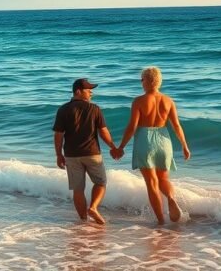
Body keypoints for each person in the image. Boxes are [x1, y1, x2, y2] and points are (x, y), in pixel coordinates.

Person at [114, 66, 191, 225]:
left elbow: (132, 127)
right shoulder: (169, 101)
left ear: (148, 81)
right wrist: (184, 145)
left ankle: (161, 221)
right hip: (164, 139)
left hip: (145, 139)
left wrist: (121, 147)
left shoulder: (139, 101)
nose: (141, 83)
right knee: (163, 179)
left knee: (152, 183)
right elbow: (177, 125)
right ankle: (170, 198)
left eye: (142, 79)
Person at [53, 78, 119, 225]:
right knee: (101, 182)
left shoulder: (63, 109)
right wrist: (113, 147)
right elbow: (103, 132)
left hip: (71, 155)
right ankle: (93, 207)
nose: (91, 93)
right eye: (88, 91)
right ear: (78, 91)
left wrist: (59, 155)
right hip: (92, 153)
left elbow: (58, 135)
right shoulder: (94, 109)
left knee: (78, 189)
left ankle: (83, 221)